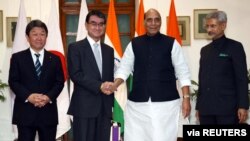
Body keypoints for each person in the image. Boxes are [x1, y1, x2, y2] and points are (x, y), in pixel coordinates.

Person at [110, 8, 191, 141]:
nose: (153, 23)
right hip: (138, 104)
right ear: (144, 23)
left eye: (157, 20)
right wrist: (115, 85)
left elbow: (183, 72)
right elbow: (124, 69)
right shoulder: (134, 44)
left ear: (160, 22)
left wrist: (186, 99)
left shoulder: (172, 43)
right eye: (149, 20)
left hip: (166, 104)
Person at [8, 20, 64, 141]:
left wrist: (48, 97)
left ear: (46, 37)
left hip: (48, 113)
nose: (39, 37)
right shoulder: (18, 58)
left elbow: (59, 82)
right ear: (27, 37)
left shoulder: (55, 59)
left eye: (42, 34)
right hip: (25, 113)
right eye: (35, 34)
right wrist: (29, 96)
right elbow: (13, 81)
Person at [67, 10, 114, 141]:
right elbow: (75, 74)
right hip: (84, 107)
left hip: (104, 108)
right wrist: (100, 86)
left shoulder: (109, 51)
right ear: (86, 25)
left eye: (101, 24)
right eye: (93, 24)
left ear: (104, 26)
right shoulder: (75, 48)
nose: (97, 27)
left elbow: (109, 77)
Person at [195, 11, 249, 124]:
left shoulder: (235, 47)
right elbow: (202, 80)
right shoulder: (204, 50)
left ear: (223, 25)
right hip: (206, 110)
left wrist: (243, 106)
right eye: (207, 26)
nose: (209, 29)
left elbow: (242, 79)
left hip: (227, 109)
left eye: (213, 26)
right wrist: (199, 107)